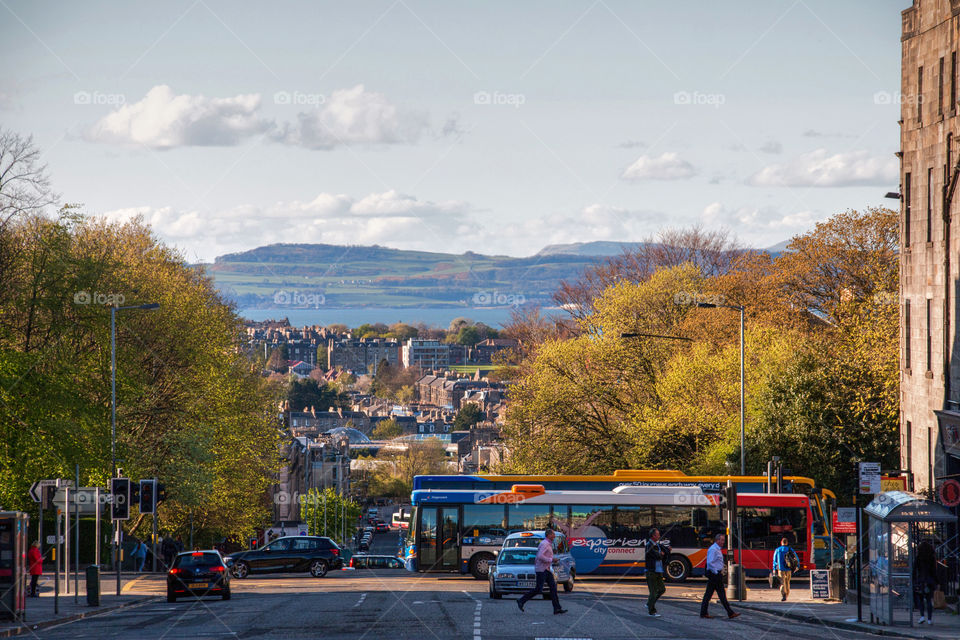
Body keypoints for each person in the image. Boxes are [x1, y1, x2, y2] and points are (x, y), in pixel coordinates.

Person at [516, 529, 567, 615]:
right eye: (553, 534)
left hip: (546, 569)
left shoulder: (548, 544)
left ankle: (557, 608)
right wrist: (551, 559)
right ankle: (521, 600)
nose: (554, 536)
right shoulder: (545, 544)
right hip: (541, 570)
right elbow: (540, 556)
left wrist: (551, 560)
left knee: (553, 588)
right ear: (549, 535)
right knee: (538, 589)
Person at [700, 533, 739, 619]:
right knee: (713, 594)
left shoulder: (717, 549)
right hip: (715, 575)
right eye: (721, 540)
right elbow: (710, 562)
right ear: (717, 540)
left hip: (716, 574)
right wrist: (716, 572)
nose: (723, 542)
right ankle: (729, 612)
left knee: (717, 594)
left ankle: (730, 612)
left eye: (723, 540)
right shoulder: (713, 549)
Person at [645, 528, 671, 617]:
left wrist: (665, 552)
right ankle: (651, 611)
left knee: (662, 589)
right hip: (651, 571)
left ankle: (649, 603)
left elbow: (665, 552)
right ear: (653, 536)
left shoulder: (658, 545)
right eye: (658, 534)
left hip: (658, 570)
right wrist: (661, 554)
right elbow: (657, 556)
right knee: (653, 592)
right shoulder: (649, 545)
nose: (659, 536)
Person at [914, 541, 938, 625]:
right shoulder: (932, 558)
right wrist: (936, 581)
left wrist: (914, 580)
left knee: (920, 599)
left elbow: (914, 569)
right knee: (928, 600)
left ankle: (922, 616)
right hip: (929, 580)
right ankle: (929, 619)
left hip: (920, 580)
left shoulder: (918, 557)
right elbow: (934, 571)